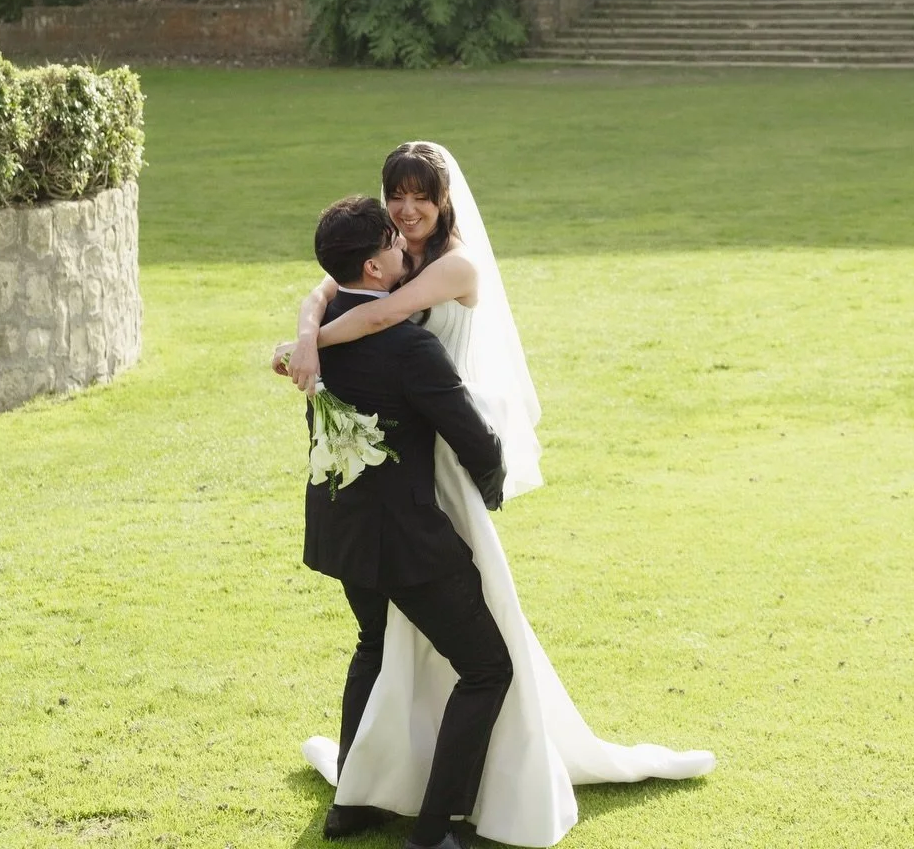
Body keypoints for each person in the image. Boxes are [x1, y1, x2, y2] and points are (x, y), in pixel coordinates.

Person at [278, 143, 715, 848]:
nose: (406, 210)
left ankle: (370, 794)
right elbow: (337, 294)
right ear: (377, 240)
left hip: (388, 489)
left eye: (421, 195)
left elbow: (375, 313)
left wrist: (307, 348)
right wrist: (305, 336)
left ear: (446, 200)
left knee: (390, 641)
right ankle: (422, 814)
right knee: (458, 655)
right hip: (420, 486)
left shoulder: (448, 266)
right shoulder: (383, 270)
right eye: (396, 196)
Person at [301, 195, 514, 849]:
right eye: (394, 242)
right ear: (372, 266)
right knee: (487, 670)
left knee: (373, 644)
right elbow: (470, 436)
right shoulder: (407, 347)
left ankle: (351, 804)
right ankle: (438, 830)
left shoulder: (322, 328)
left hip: (342, 532)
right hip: (408, 542)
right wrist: (492, 477)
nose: (405, 250)